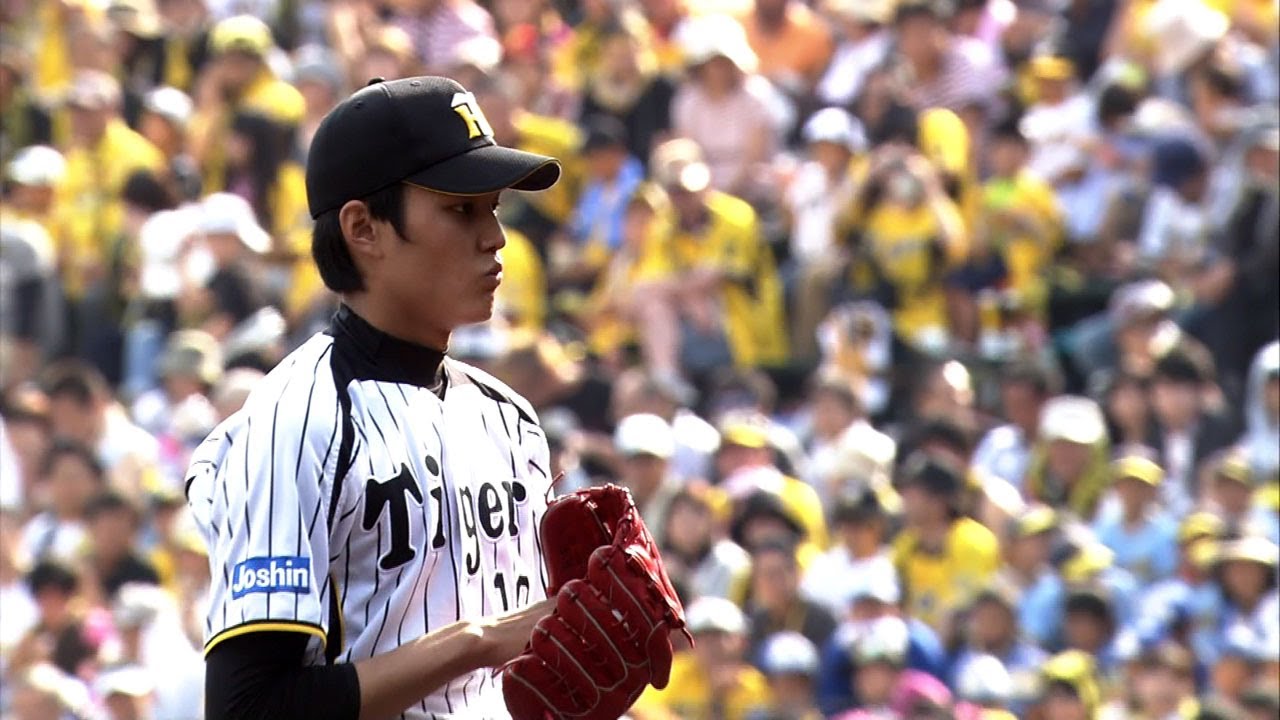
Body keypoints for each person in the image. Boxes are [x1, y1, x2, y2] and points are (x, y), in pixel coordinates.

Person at [187, 75, 578, 720]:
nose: (496, 237)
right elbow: (248, 707)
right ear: (363, 227)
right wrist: (473, 644)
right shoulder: (295, 421)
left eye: (494, 208)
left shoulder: (510, 419)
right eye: (461, 209)